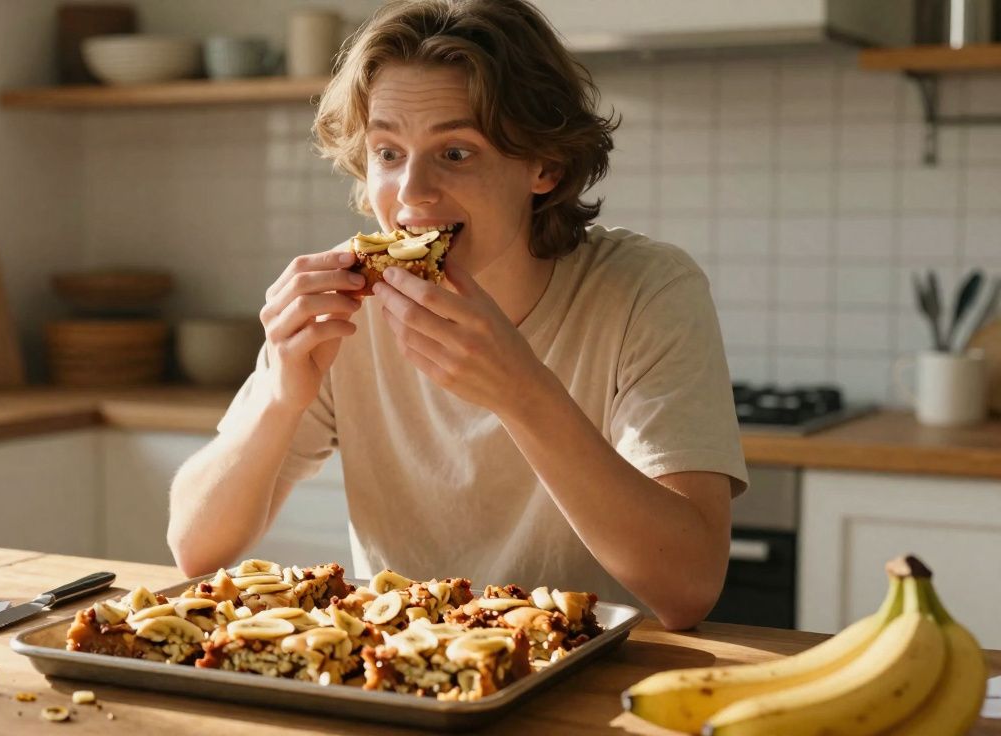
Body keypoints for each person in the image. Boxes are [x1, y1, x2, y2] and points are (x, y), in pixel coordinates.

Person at [167, 0, 748, 630]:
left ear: (544, 166)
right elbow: (196, 548)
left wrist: (523, 393)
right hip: (399, 669)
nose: (411, 192)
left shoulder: (647, 291)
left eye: (455, 153)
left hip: (590, 679)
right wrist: (280, 398)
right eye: (388, 152)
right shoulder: (344, 298)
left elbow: (689, 588)